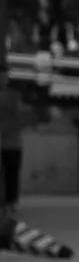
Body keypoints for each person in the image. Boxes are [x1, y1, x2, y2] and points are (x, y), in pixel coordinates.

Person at [0, 66, 28, 213]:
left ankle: (12, 201)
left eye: (5, 76)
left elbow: (21, 117)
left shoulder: (14, 95)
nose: (3, 79)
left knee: (12, 173)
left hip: (12, 143)